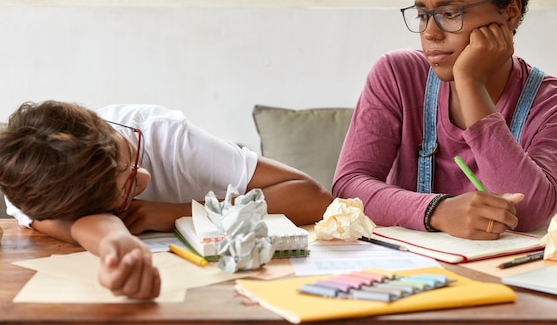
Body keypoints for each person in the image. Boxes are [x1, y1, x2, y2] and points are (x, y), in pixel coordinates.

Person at [333, 0, 557, 241]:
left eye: (450, 13)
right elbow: (349, 185)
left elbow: (527, 214)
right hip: (406, 270)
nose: (430, 32)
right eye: (422, 14)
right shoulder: (397, 76)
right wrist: (437, 211)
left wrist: (469, 84)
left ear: (510, 14)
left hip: (506, 275)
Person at [0, 101, 333, 299]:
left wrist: (177, 212)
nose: (142, 175)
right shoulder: (36, 188)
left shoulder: (167, 137)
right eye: (127, 188)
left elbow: (313, 198)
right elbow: (79, 224)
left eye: (128, 153)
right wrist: (114, 242)